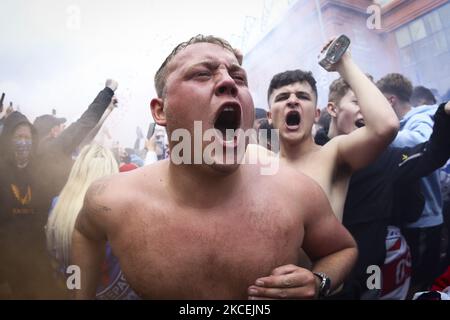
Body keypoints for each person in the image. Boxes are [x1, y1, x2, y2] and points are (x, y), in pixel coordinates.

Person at [71, 35, 357, 300]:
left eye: (239, 77)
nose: (229, 82)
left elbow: (343, 249)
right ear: (161, 111)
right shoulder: (111, 199)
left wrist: (319, 281)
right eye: (202, 74)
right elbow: (85, 232)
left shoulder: (296, 191)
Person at [316, 76, 450, 299]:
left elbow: (432, 154)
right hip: (321, 284)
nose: (367, 111)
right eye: (357, 102)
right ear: (333, 108)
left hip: (371, 278)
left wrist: (445, 113)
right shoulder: (311, 155)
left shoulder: (385, 158)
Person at [0, 80, 117, 298]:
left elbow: (81, 127)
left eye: (27, 137)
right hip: (7, 261)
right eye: (18, 137)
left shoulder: (44, 160)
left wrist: (107, 93)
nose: (23, 143)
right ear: (7, 140)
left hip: (40, 258)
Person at [267, 38, 399, 222]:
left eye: (303, 96)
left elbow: (385, 126)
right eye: (282, 97)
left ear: (316, 114)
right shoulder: (260, 164)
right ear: (269, 116)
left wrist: (344, 63)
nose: (292, 101)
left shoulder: (334, 154)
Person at [46, 143, 139, 300]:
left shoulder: (57, 206)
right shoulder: (121, 210)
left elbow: (57, 259)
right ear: (112, 174)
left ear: (77, 172)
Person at [377, 73, 443, 293]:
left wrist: (380, 133)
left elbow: (424, 143)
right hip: (416, 220)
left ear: (390, 100)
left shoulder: (419, 119)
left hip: (425, 221)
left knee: (420, 284)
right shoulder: (406, 123)